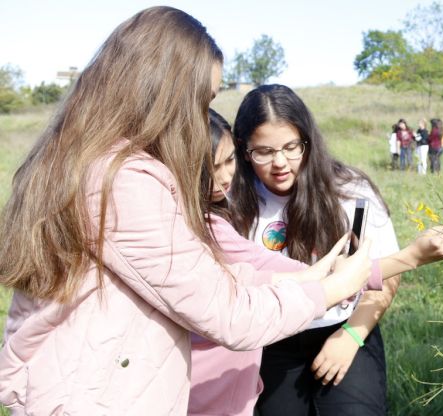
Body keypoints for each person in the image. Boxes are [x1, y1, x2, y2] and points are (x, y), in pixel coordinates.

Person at [0, 8, 374, 414]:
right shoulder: (123, 181)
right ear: (164, 93)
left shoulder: (79, 159)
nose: (202, 120)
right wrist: (330, 291)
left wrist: (309, 277)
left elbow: (198, 274)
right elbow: (227, 314)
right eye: (202, 101)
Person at [188, 108, 443, 415]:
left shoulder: (350, 190)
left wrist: (351, 336)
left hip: (345, 328)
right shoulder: (226, 204)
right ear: (245, 150)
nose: (279, 162)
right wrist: (411, 257)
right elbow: (281, 279)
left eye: (290, 147)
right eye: (264, 152)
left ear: (308, 141)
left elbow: (329, 277)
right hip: (272, 338)